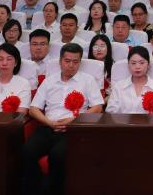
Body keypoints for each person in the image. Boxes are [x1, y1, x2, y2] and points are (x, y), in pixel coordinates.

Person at [25, 43, 104, 195]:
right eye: (67, 61)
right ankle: (35, 189)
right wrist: (49, 122)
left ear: (80, 62)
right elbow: (33, 109)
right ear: (60, 61)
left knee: (57, 155)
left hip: (73, 130)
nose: (71, 65)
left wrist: (73, 120)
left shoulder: (88, 80)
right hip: (48, 127)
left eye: (75, 62)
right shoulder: (49, 81)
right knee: (27, 151)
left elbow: (98, 107)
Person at [106, 46, 153, 114]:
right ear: (128, 65)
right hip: (122, 121)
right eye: (133, 63)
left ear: (148, 65)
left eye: (142, 63)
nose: (137, 67)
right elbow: (110, 110)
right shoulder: (119, 86)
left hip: (149, 121)